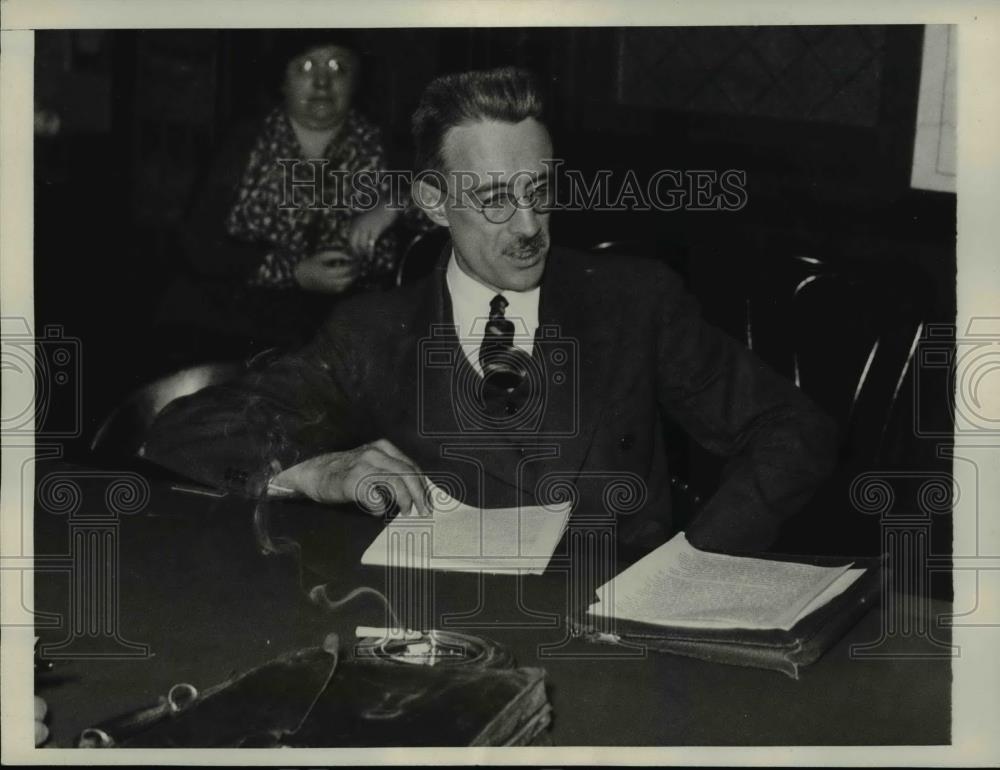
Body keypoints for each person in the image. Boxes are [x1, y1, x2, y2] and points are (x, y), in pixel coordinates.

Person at [143, 66, 838, 557]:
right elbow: (186, 433)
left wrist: (698, 559)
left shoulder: (634, 301)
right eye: (495, 199)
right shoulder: (374, 332)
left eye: (540, 190)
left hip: (620, 643)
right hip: (442, 642)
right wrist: (320, 470)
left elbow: (793, 427)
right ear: (433, 203)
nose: (529, 225)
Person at [155, 31, 404, 359]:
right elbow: (197, 242)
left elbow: (448, 200)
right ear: (282, 81)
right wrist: (294, 272)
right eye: (305, 68)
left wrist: (397, 202)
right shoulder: (245, 141)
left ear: (357, 82)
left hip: (343, 335)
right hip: (233, 328)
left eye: (337, 68)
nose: (322, 83)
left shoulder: (380, 143)